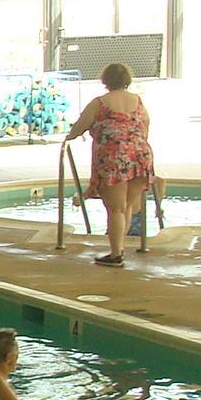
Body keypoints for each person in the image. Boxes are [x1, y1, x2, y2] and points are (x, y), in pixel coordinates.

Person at [65, 62, 155, 267]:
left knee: (115, 209)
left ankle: (116, 254)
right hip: (140, 156)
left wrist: (70, 136)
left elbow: (80, 126)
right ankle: (119, 247)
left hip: (113, 158)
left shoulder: (100, 103)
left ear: (105, 80)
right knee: (127, 206)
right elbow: (146, 125)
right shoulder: (138, 101)